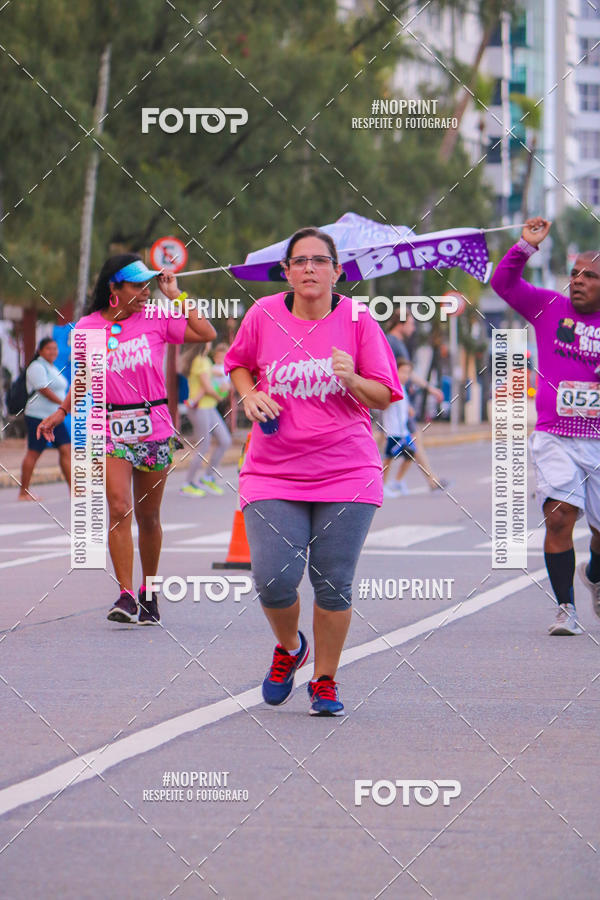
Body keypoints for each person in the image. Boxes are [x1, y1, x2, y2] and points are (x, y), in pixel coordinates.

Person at [225, 227, 402, 716]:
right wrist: (248, 393)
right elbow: (237, 363)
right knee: (273, 579)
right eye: (299, 261)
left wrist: (352, 378)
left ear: (336, 271)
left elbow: (385, 394)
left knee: (333, 582)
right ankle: (288, 648)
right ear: (285, 272)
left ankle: (324, 680)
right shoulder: (262, 315)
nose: (309, 269)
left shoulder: (360, 320)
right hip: (272, 470)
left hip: (346, 470)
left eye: (319, 261)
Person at [38, 254, 215, 624]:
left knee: (149, 518)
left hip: (154, 426)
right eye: (137, 285)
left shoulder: (156, 318)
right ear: (113, 289)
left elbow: (206, 332)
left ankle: (150, 592)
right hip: (109, 426)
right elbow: (83, 377)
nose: (145, 292)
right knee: (119, 509)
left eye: (147, 284)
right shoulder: (87, 326)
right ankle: (126, 595)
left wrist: (176, 295)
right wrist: (61, 412)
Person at [491, 216, 600, 636]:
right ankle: (565, 608)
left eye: (590, 276)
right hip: (556, 434)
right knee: (559, 517)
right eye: (575, 273)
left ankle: (594, 574)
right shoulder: (550, 307)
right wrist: (523, 247)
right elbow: (504, 286)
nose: (578, 281)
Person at [385, 310, 448, 491]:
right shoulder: (392, 342)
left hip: (400, 402)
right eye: (411, 324)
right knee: (399, 444)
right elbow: (402, 373)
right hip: (395, 402)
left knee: (407, 443)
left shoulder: (399, 343)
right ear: (401, 323)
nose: (413, 328)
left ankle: (425, 480)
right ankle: (387, 484)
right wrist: (430, 388)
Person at [20, 337, 70, 501]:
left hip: (55, 417)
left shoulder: (52, 367)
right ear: (40, 351)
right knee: (34, 452)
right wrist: (64, 404)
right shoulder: (36, 366)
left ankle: (75, 490)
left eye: (55, 348)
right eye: (49, 348)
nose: (53, 352)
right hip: (38, 417)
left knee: (66, 450)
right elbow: (43, 389)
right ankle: (24, 492)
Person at [180, 342, 232, 496]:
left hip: (210, 407)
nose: (211, 342)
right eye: (209, 340)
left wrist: (225, 385)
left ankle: (207, 478)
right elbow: (207, 387)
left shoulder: (207, 361)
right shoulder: (199, 361)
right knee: (204, 445)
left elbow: (217, 375)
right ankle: (187, 484)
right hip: (200, 408)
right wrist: (220, 395)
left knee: (225, 441)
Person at [382, 358, 416, 497]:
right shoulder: (392, 387)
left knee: (411, 453)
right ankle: (383, 485)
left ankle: (398, 481)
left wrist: (409, 409)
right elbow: (385, 405)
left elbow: (403, 404)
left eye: (408, 373)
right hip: (393, 431)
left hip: (403, 431)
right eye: (403, 372)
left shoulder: (403, 388)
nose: (405, 376)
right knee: (388, 458)